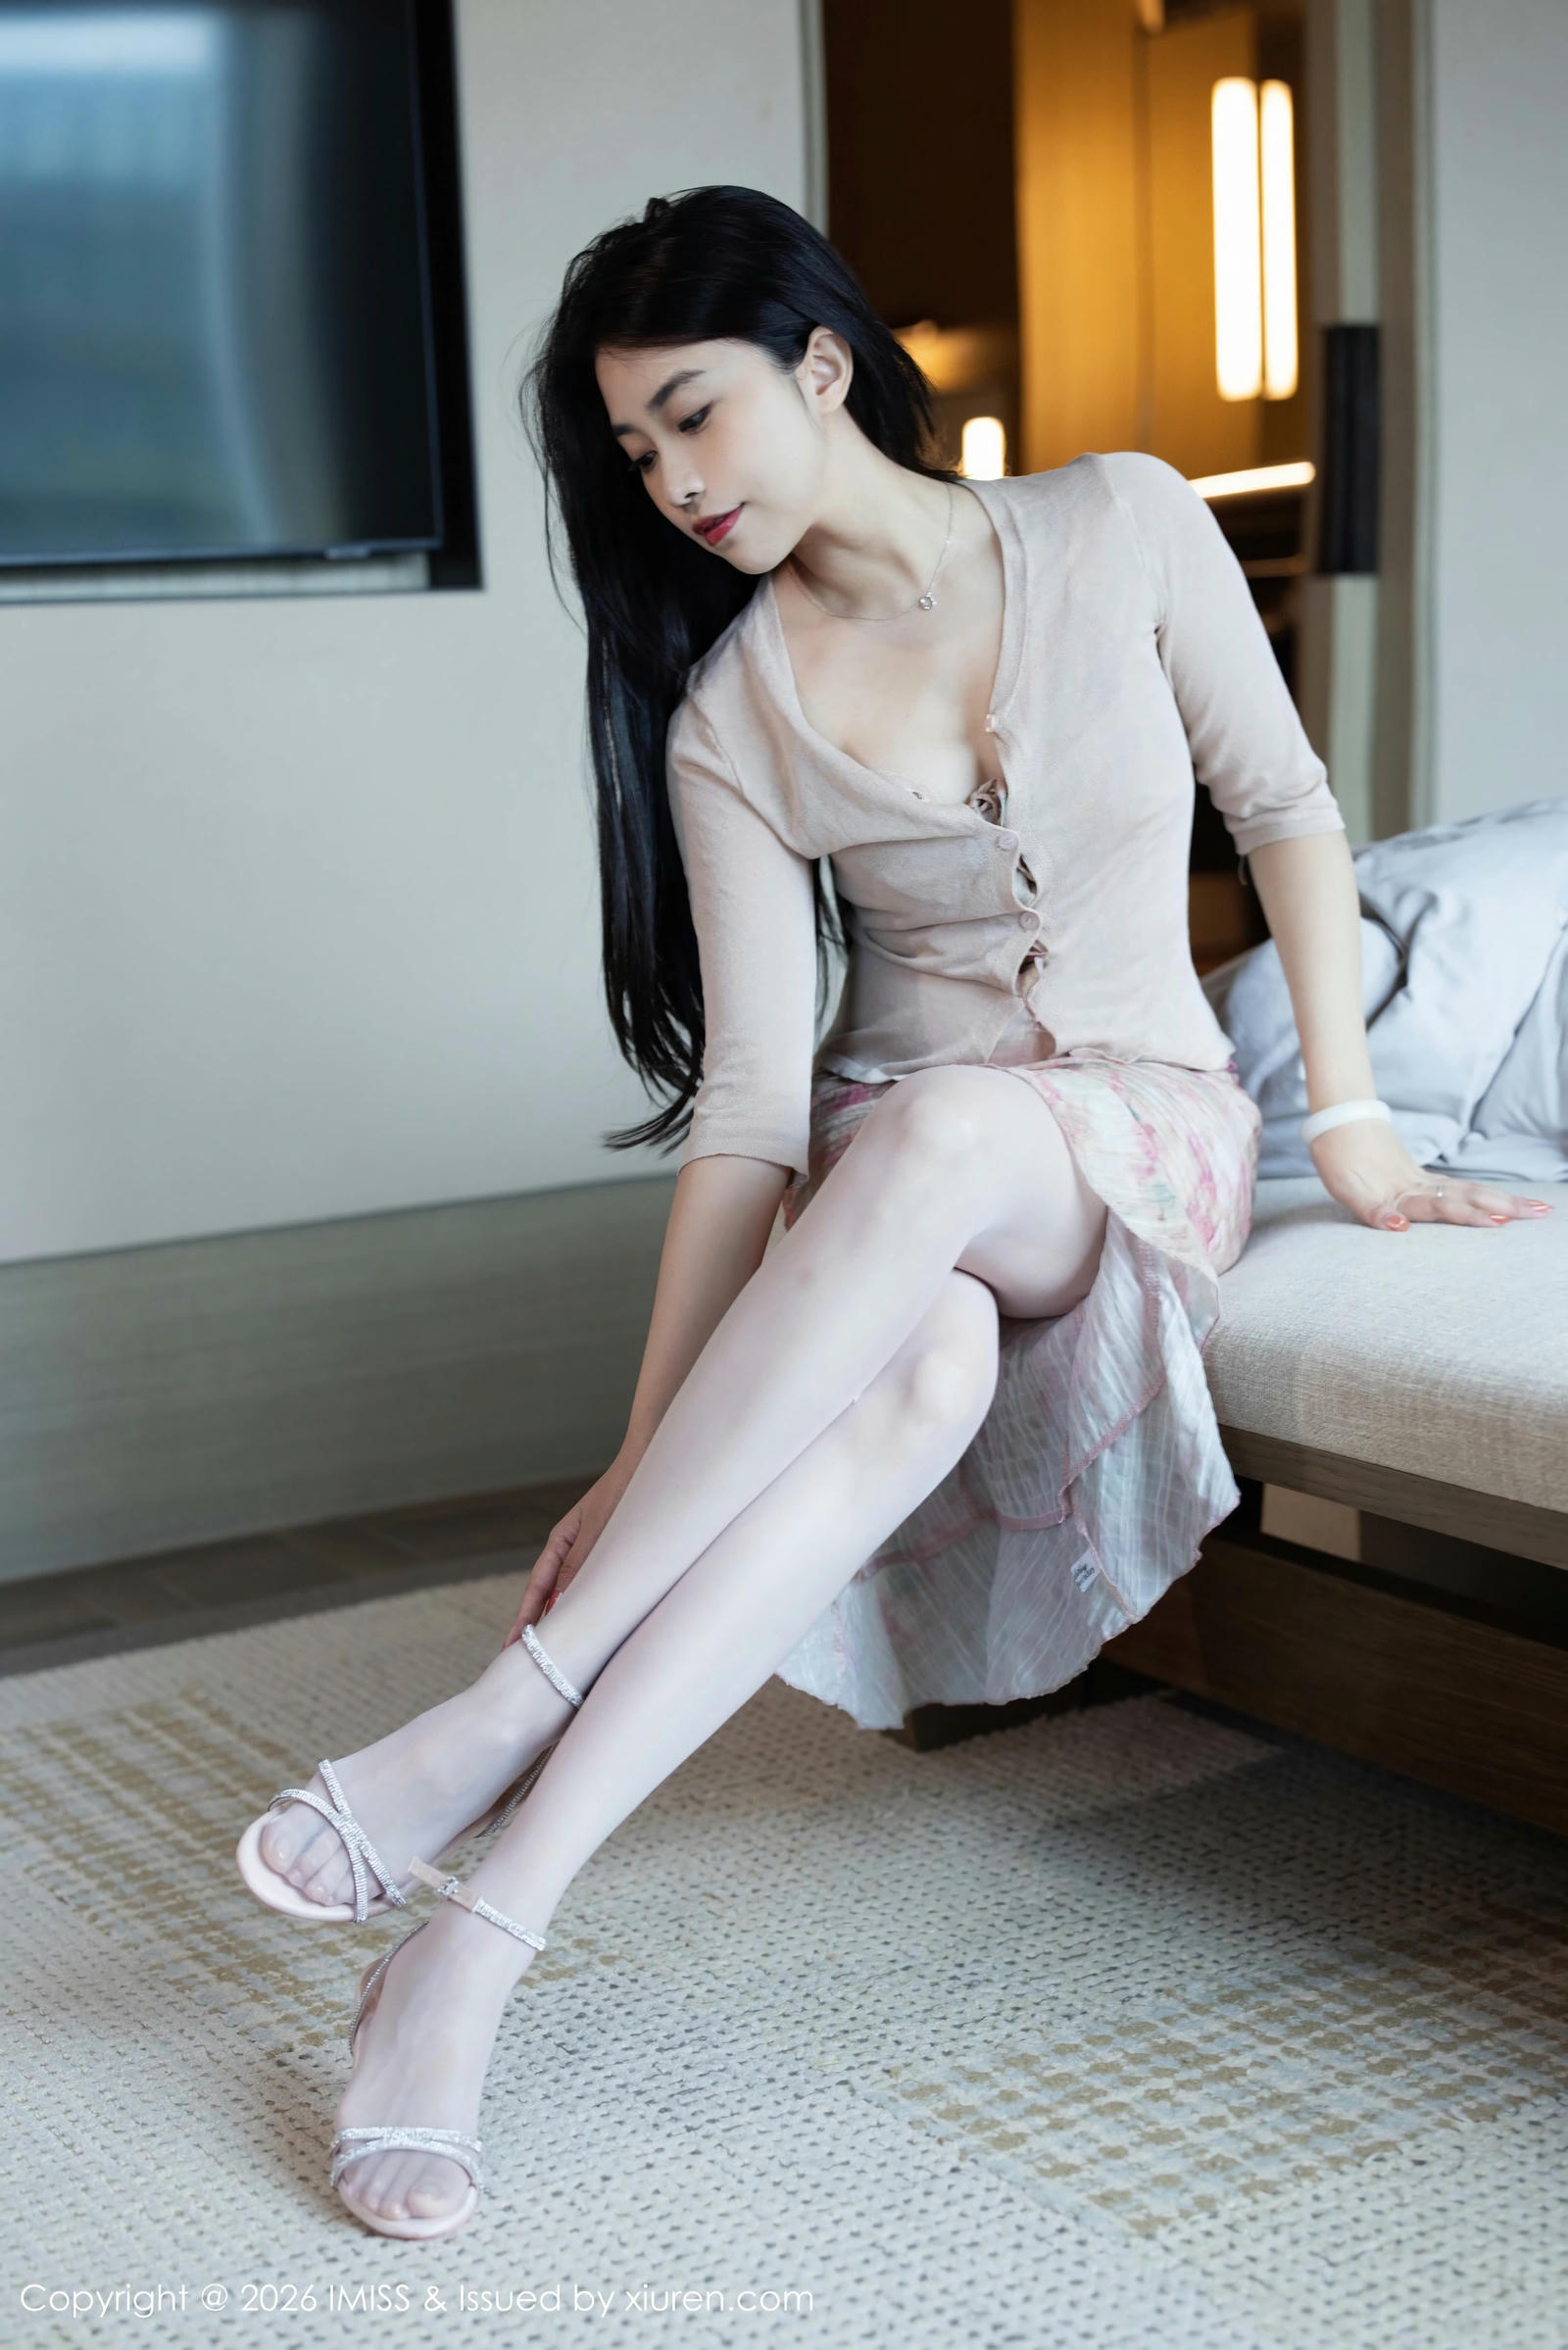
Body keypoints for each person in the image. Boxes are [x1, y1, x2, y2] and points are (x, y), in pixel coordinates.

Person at [234, 187, 1552, 2239]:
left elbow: (1289, 811)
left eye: (694, 414)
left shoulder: (1120, 522)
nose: (672, 480)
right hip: (893, 1178)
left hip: (1135, 1132)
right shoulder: (729, 715)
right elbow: (758, 1109)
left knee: (937, 1134)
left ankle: (511, 1704)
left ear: (823, 364)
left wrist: (1359, 1126)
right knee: (917, 1342)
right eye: (634, 452)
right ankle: (467, 1955)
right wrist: (639, 1449)